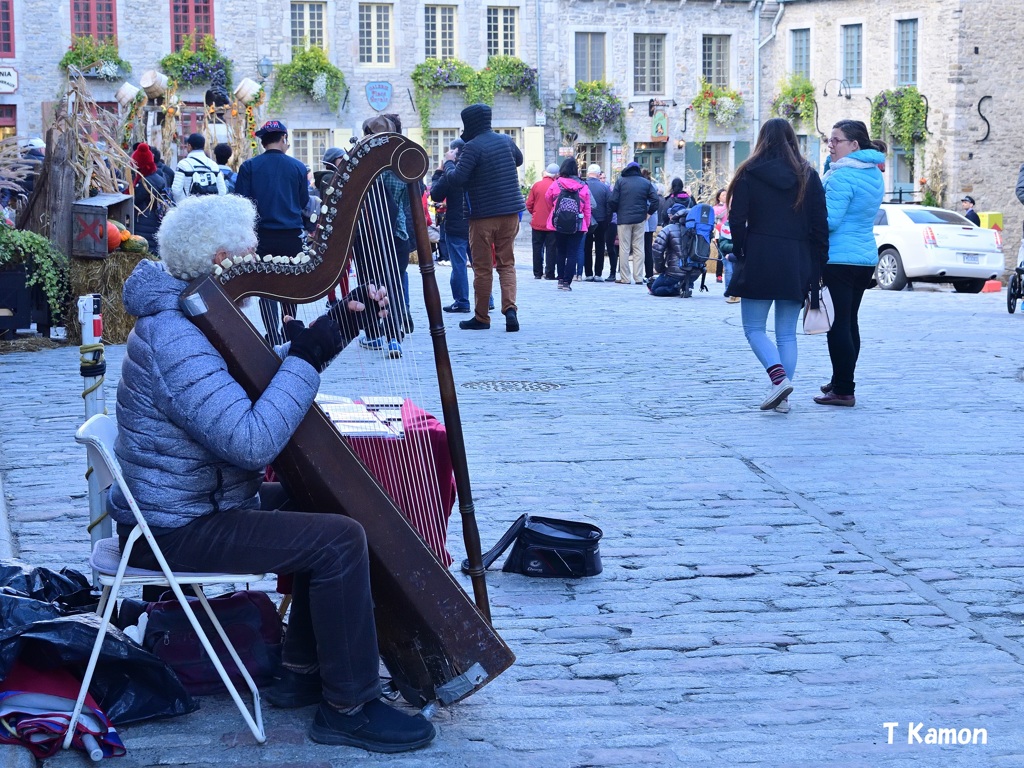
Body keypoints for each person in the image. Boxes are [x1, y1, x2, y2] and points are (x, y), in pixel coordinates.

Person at [111, 194, 434, 753]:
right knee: (338, 540)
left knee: (328, 510)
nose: (260, 261)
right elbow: (250, 439)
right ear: (219, 261)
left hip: (190, 505)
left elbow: (248, 376)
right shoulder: (176, 336)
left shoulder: (190, 314)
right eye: (249, 252)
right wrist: (306, 357)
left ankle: (303, 670)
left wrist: (331, 331)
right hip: (175, 529)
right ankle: (349, 707)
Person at [724, 117, 829, 413]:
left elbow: (736, 219)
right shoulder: (808, 175)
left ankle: (778, 379)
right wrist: (818, 265)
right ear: (792, 140)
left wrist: (743, 248)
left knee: (754, 329)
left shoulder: (748, 172)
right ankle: (781, 393)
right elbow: (820, 225)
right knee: (786, 333)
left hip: (759, 253)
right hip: (796, 258)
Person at [814, 119, 886, 408]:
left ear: (854, 145)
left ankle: (844, 388)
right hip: (864, 257)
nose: (830, 145)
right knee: (849, 321)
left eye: (836, 140)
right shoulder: (873, 173)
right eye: (829, 140)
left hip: (840, 258)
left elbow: (830, 220)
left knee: (838, 324)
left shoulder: (842, 176)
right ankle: (841, 378)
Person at [441, 103, 524, 332]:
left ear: (470, 123)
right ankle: (510, 310)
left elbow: (457, 179)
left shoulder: (472, 147)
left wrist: (448, 162)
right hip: (510, 214)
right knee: (507, 264)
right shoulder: (506, 140)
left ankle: (481, 317)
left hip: (482, 217)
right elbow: (518, 160)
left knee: (483, 267)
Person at [235, 120, 308, 346]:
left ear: (262, 141)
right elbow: (303, 201)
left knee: (266, 286)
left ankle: (272, 334)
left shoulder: (249, 166)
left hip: (262, 235)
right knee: (290, 284)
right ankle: (288, 329)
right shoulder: (297, 167)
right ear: (284, 138)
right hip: (291, 235)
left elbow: (242, 202)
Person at [431, 139, 472, 312]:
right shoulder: (475, 168)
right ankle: (488, 299)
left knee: (459, 265)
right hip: (477, 222)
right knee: (480, 265)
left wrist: (439, 172)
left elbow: (436, 194)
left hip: (456, 223)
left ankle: (462, 301)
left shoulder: (452, 172)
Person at [545, 158, 592, 292]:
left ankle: (560, 279)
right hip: (577, 224)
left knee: (560, 251)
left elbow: (547, 198)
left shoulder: (556, 184)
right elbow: (587, 209)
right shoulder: (583, 186)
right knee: (572, 253)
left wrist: (555, 211)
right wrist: (586, 225)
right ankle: (567, 282)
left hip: (558, 223)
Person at [608, 161, 659, 285]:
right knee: (639, 248)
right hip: (640, 219)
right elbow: (655, 200)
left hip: (624, 219)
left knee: (624, 248)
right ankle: (639, 277)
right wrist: (648, 213)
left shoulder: (621, 181)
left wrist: (617, 211)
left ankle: (625, 278)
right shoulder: (646, 183)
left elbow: (613, 200)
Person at [130, 143, 168, 254]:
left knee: (147, 255)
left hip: (145, 225)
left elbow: (135, 200)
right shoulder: (158, 177)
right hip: (153, 224)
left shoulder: (145, 182)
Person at [170, 133, 227, 203]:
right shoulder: (213, 165)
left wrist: (184, 205)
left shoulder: (183, 164)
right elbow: (222, 191)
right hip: (210, 209)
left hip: (189, 209)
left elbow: (176, 190)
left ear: (189, 146)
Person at [525, 164, 558, 280]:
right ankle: (549, 273)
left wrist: (535, 213)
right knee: (551, 249)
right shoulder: (556, 186)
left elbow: (529, 204)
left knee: (537, 248)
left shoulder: (536, 185)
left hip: (537, 222)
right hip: (552, 223)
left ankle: (537, 272)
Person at [649, 203, 688, 297]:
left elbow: (657, 250)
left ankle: (678, 287)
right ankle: (687, 285)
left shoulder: (668, 229)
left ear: (673, 216)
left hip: (675, 272)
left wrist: (660, 268)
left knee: (655, 289)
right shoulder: (694, 228)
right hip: (694, 271)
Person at [584, 164, 610, 281]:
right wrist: (607, 220)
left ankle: (588, 273)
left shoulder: (583, 185)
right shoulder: (604, 187)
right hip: (601, 219)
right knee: (600, 246)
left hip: (587, 220)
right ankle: (598, 273)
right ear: (599, 174)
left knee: (587, 247)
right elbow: (609, 204)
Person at [712, 188, 728, 283]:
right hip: (720, 232)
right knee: (720, 254)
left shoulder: (731, 205)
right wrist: (727, 207)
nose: (725, 197)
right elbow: (719, 216)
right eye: (723, 195)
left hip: (730, 232)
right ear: (718, 197)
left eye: (727, 195)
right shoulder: (715, 208)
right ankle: (719, 275)